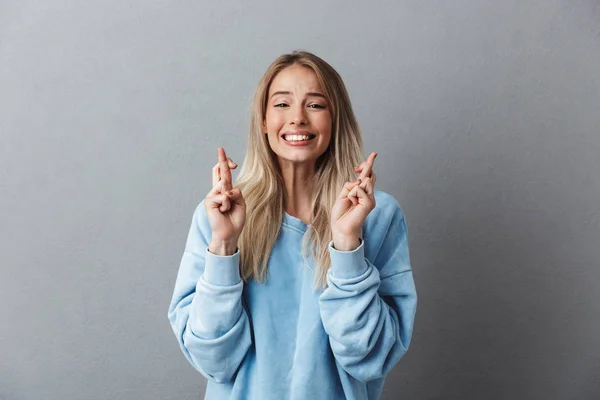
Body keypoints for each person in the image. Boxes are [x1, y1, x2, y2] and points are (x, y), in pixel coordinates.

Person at [167, 50, 417, 400]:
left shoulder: (377, 216)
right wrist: (224, 246)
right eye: (282, 104)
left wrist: (347, 246)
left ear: (336, 120)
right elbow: (212, 358)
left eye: (315, 105)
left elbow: (369, 356)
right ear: (263, 121)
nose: (297, 118)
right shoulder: (219, 216)